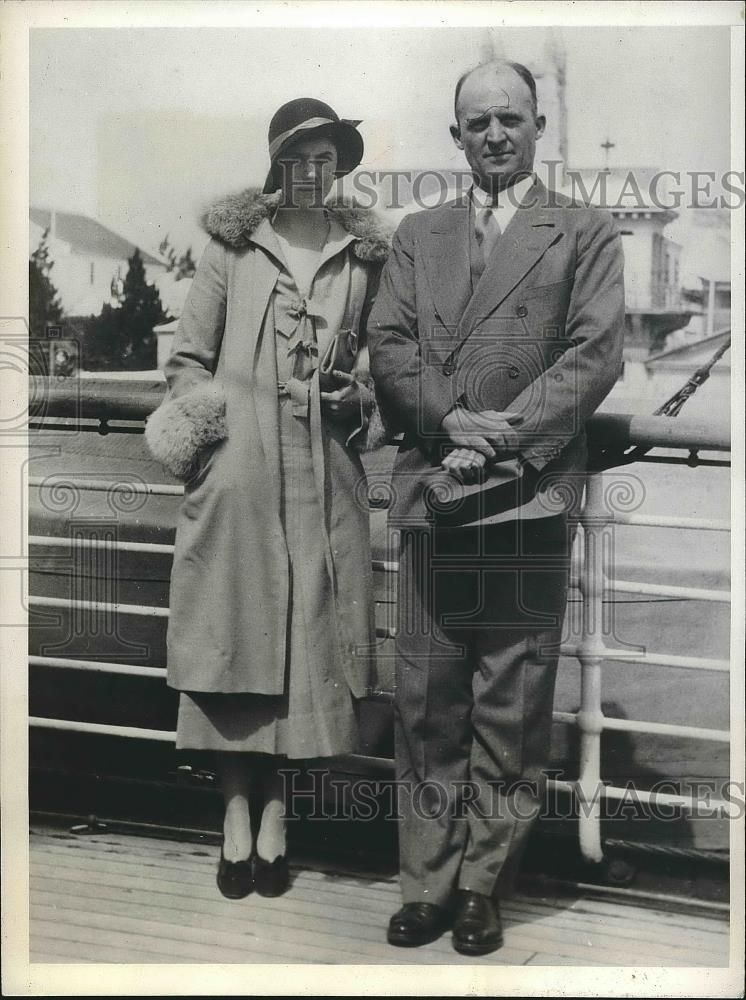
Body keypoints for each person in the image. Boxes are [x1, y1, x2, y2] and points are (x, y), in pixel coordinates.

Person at [368, 60, 625, 954]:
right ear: (456, 137)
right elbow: (390, 346)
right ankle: (426, 884)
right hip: (435, 489)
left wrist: (502, 435)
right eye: (477, 123)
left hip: (523, 493)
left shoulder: (583, 231)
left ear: (538, 126)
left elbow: (594, 357)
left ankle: (482, 885)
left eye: (510, 118)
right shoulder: (418, 235)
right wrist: (449, 418)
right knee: (427, 698)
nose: (495, 135)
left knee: (511, 704)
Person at [145, 98, 388, 900]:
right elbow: (186, 362)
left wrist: (359, 396)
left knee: (301, 647)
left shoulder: (364, 255)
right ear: (276, 165)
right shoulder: (232, 247)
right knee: (233, 642)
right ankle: (234, 815)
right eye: (298, 158)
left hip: (323, 481)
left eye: (326, 158)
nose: (313, 173)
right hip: (239, 478)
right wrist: (214, 442)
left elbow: (382, 369)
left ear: (339, 165)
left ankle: (277, 813)